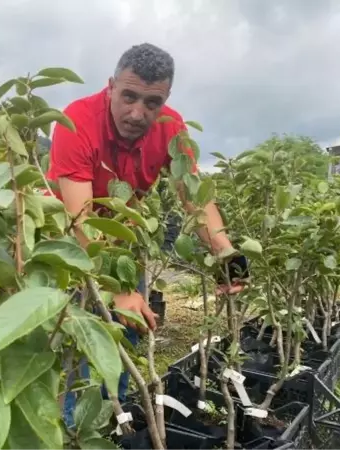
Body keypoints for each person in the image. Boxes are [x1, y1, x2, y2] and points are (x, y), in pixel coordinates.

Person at [46, 43, 245, 427]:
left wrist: (227, 254)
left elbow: (194, 195)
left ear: (165, 99)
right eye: (129, 96)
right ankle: (78, 427)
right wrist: (118, 290)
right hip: (69, 244)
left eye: (152, 102)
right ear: (111, 87)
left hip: (123, 242)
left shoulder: (171, 127)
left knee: (127, 333)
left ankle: (115, 419)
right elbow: (81, 220)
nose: (138, 113)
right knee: (81, 338)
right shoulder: (77, 121)